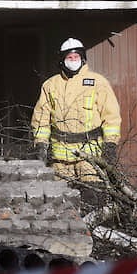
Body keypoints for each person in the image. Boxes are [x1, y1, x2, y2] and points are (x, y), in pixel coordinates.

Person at [31, 37, 121, 183]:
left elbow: (111, 117)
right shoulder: (51, 85)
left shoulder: (98, 83)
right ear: (62, 60)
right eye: (69, 57)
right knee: (62, 201)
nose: (73, 60)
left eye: (76, 57)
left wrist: (110, 145)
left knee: (92, 199)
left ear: (82, 58)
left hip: (90, 156)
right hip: (60, 159)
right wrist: (40, 144)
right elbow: (41, 118)